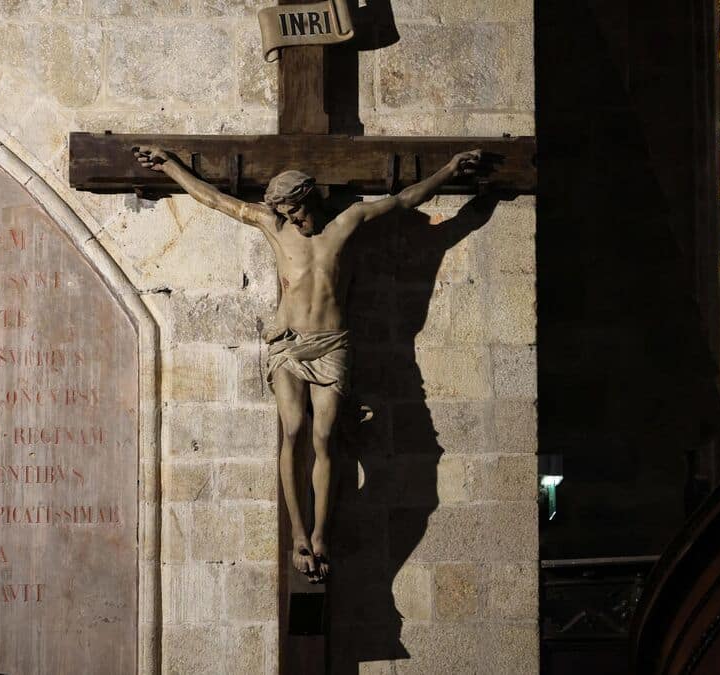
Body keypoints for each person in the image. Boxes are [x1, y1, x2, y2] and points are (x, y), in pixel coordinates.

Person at [134, 146, 483, 583]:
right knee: (294, 429)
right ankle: (298, 532)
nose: (294, 219)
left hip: (332, 345)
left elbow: (406, 200)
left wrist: (449, 169)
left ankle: (321, 534)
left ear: (311, 197)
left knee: (325, 436)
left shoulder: (346, 225)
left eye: (297, 209)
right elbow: (215, 200)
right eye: (287, 212)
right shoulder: (274, 227)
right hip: (290, 345)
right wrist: (170, 167)